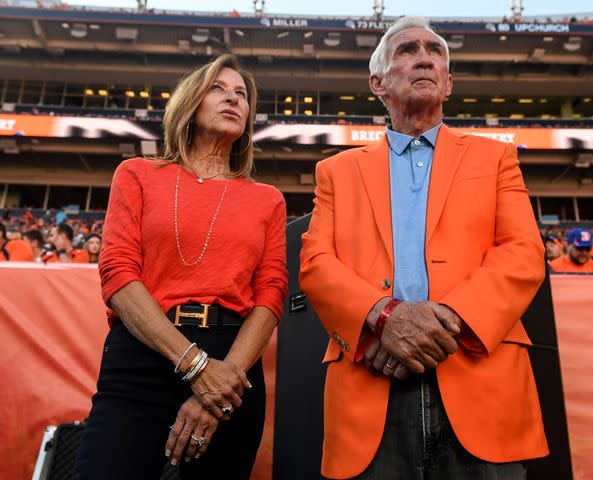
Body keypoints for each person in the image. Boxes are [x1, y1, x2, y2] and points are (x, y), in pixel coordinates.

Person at [299, 16, 547, 479]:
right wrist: (385, 319)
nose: (425, 58)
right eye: (407, 50)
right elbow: (316, 265)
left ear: (448, 82)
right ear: (378, 82)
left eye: (435, 52)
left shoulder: (495, 158)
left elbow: (523, 251)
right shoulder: (335, 170)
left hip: (478, 375)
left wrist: (437, 325)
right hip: (370, 383)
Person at [73, 54, 287, 480]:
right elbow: (117, 273)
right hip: (143, 357)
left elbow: (271, 294)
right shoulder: (136, 174)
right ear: (190, 102)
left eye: (242, 94)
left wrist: (221, 381)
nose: (234, 99)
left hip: (233, 366)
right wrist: (195, 365)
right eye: (219, 89)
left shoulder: (269, 200)